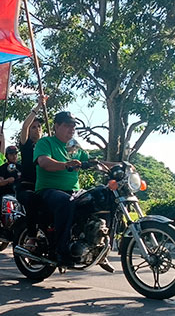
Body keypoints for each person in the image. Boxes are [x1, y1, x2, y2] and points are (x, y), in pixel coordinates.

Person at [34, 111, 123, 266]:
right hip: (48, 190)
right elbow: (44, 162)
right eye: (67, 125)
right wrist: (66, 165)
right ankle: (61, 251)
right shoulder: (45, 143)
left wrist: (119, 165)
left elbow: (94, 162)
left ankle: (100, 246)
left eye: (73, 126)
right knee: (66, 202)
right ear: (56, 126)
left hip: (74, 191)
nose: (71, 129)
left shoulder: (74, 147)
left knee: (104, 196)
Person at [18, 97, 47, 191]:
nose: (37, 129)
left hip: (43, 185)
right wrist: (38, 106)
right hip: (28, 186)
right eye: (33, 127)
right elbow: (25, 126)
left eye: (39, 126)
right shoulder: (26, 143)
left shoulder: (45, 145)